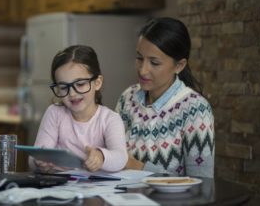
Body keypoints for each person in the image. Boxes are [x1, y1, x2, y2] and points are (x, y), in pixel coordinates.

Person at [116, 17, 215, 178]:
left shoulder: (196, 110)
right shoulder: (127, 98)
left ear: (179, 66)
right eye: (139, 58)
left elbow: (202, 183)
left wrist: (139, 167)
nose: (142, 70)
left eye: (154, 63)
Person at [29, 45, 128, 172]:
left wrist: (101, 156)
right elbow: (33, 159)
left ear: (97, 82)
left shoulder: (110, 119)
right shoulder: (54, 113)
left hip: (97, 190)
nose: (72, 94)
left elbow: (121, 158)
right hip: (60, 188)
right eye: (64, 87)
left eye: (80, 84)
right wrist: (39, 162)